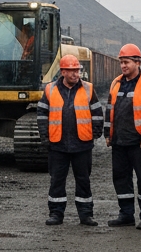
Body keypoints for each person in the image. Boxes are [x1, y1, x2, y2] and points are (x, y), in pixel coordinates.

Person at [39, 54, 104, 226]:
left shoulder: (89, 89)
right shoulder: (50, 90)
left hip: (82, 145)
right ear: (63, 72)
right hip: (57, 144)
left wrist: (95, 133)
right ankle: (56, 214)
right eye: (72, 71)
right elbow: (42, 114)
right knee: (57, 180)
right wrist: (45, 136)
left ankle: (86, 215)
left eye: (77, 71)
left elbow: (97, 112)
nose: (76, 74)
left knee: (83, 180)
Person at [104, 44, 141, 229]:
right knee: (120, 178)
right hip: (119, 141)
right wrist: (107, 134)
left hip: (139, 142)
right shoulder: (116, 82)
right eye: (121, 62)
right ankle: (126, 214)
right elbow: (110, 110)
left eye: (126, 62)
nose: (123, 66)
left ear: (137, 62)